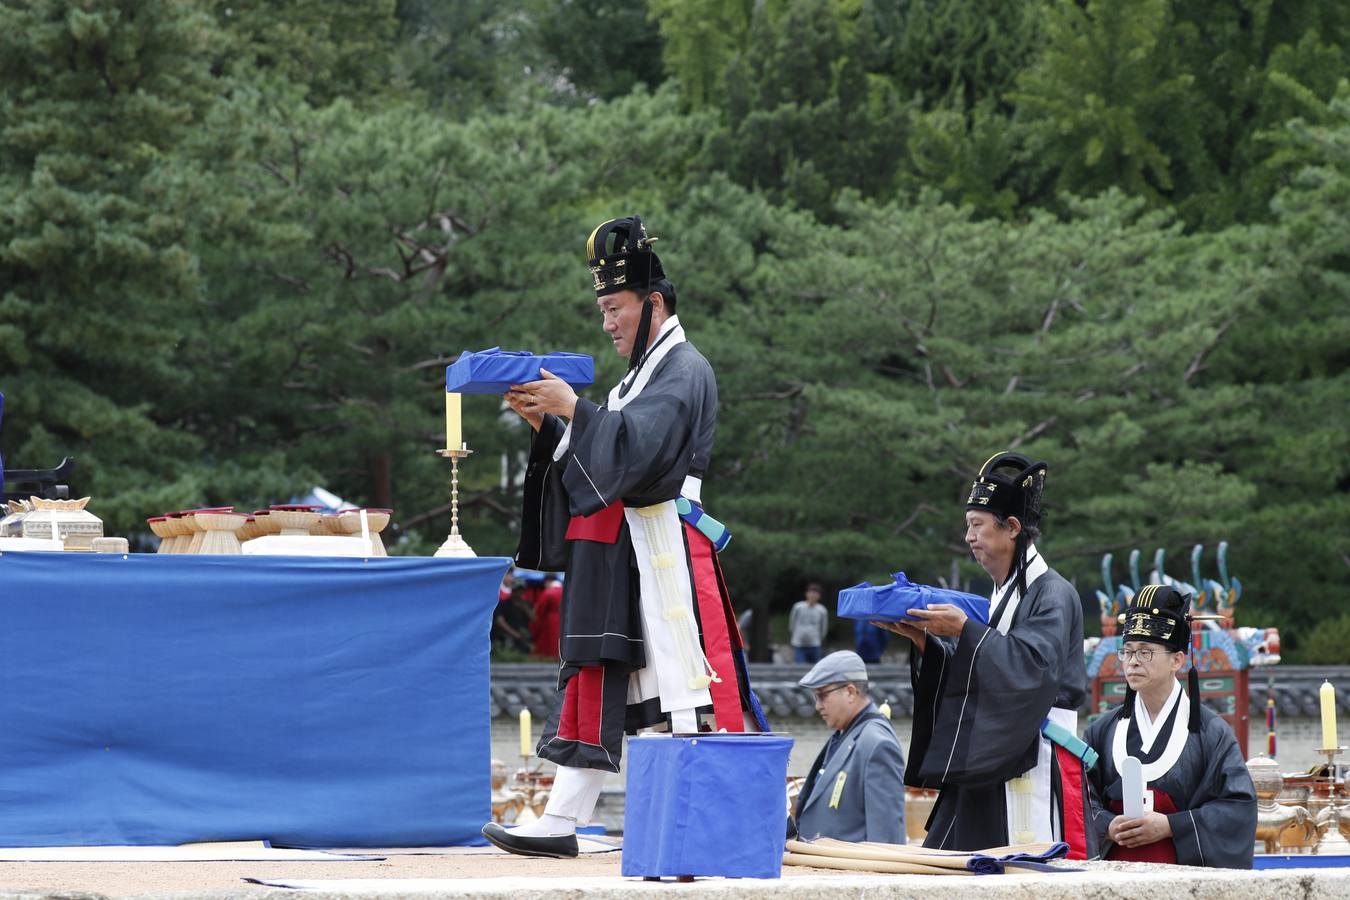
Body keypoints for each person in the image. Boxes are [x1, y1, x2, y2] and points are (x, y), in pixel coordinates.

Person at [482, 215, 766, 859]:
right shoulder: (636, 379)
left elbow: (637, 451)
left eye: (616, 308)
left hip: (667, 545)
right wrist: (550, 425)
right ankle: (563, 817)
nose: (607, 322)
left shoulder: (685, 369)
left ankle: (709, 819)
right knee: (608, 674)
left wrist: (574, 410)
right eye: (602, 310)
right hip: (629, 545)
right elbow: (606, 449)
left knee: (685, 687)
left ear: (654, 303)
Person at [876, 452, 1094, 858]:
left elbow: (1034, 671)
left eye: (977, 525)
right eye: (968, 526)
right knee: (952, 858)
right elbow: (988, 664)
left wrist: (964, 631)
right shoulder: (1002, 593)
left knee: (1015, 866)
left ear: (1011, 528)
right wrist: (928, 643)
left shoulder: (1053, 593)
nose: (969, 537)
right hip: (994, 749)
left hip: (1033, 753)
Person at [1084, 584, 1256, 867]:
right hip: (1112, 877)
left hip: (1182, 881)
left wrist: (1171, 826)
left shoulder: (1212, 733)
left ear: (1177, 659)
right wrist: (1108, 825)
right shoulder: (1101, 731)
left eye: (1145, 652)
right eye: (1127, 652)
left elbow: (1238, 809)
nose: (1132, 663)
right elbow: (1079, 800)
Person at [792, 651, 906, 844]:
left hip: (853, 872)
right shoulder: (847, 733)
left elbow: (886, 842)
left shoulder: (877, 744)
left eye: (822, 696)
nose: (817, 706)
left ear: (851, 692)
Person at [789, 582, 828, 664]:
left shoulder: (822, 610)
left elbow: (823, 628)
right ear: (806, 594)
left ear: (819, 596)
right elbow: (792, 623)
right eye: (811, 593)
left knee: (815, 668)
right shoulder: (798, 607)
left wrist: (819, 638)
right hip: (799, 643)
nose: (813, 595)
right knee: (800, 668)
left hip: (815, 643)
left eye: (815, 593)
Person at [529, 573, 563, 658]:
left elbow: (538, 611)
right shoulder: (566, 590)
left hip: (551, 621)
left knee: (551, 642)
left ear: (547, 582)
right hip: (565, 620)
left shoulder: (548, 592)